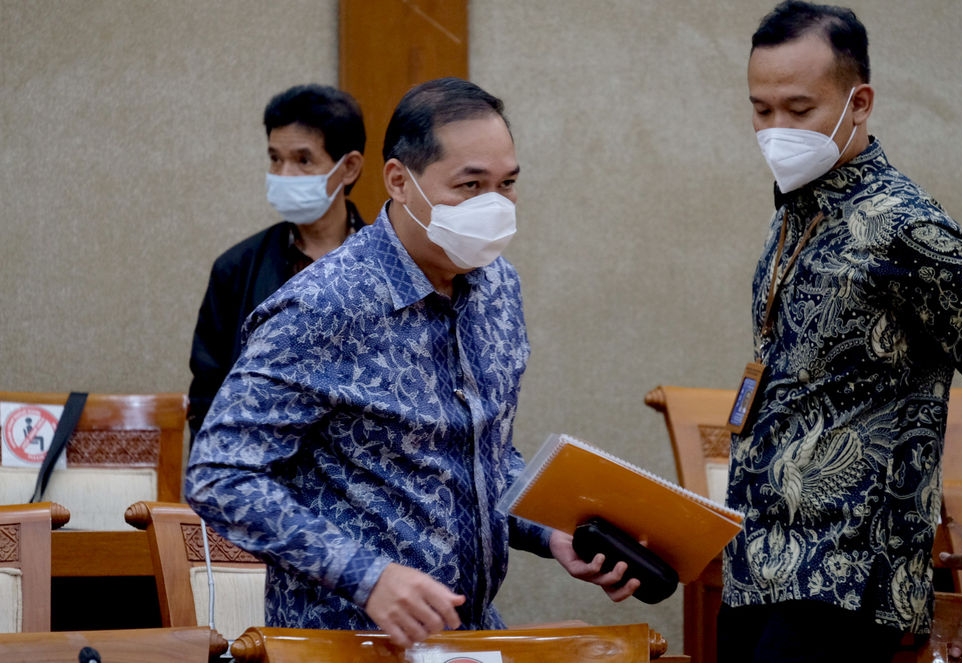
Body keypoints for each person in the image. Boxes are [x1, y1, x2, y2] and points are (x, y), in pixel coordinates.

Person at [185, 77, 637, 647]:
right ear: (399, 181)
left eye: (507, 185)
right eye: (470, 185)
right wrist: (368, 578)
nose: (493, 207)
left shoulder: (498, 285)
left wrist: (550, 530)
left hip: (464, 635)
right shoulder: (326, 302)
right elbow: (220, 474)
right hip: (342, 640)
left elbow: (484, 456)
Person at [718, 3, 962, 661]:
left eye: (798, 107)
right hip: (752, 564)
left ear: (858, 101)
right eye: (761, 110)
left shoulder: (911, 228)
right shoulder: (795, 209)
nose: (775, 129)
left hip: (845, 580)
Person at [187, 84, 366, 441]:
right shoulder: (236, 268)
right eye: (275, 158)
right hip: (261, 473)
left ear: (348, 168)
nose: (284, 175)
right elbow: (208, 396)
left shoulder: (386, 266)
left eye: (303, 160)